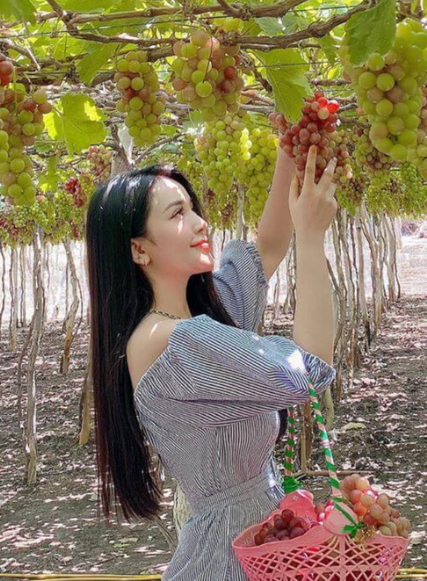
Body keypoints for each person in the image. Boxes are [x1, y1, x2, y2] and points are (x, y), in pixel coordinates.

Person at [85, 143, 338, 580]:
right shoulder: (170, 341)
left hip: (262, 543)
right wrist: (312, 238)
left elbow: (268, 248)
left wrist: (289, 147)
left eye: (192, 208)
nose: (201, 222)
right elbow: (308, 369)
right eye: (177, 214)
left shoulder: (202, 315)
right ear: (139, 249)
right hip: (227, 560)